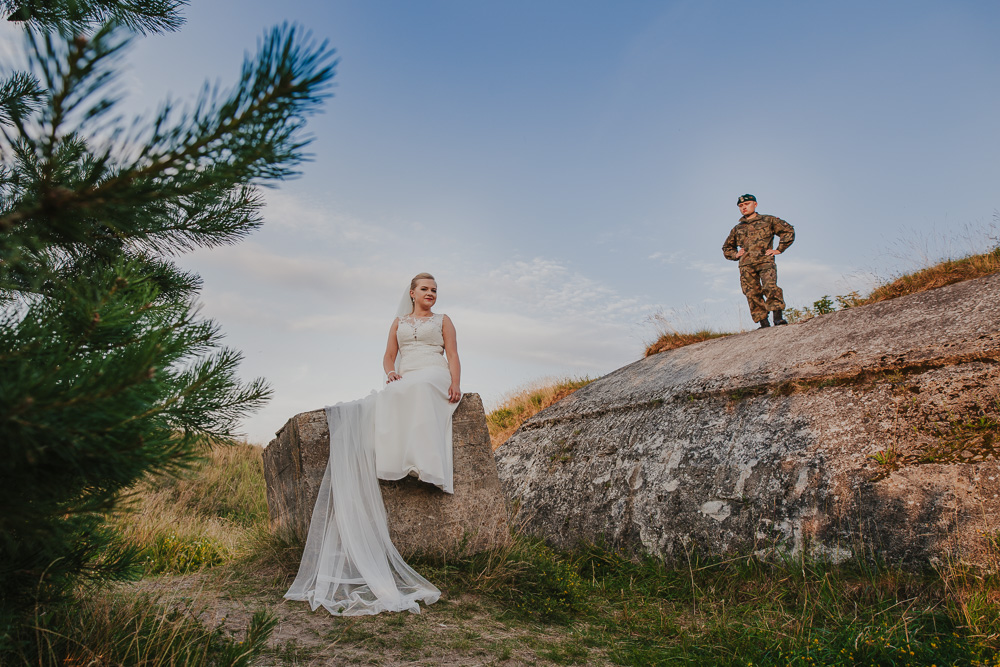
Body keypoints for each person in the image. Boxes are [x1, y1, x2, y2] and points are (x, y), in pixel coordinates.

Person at [284, 272, 462, 616]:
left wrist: (456, 382)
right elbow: (388, 356)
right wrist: (391, 372)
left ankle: (425, 463)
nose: (431, 294)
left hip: (434, 374)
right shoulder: (397, 322)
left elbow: (452, 353)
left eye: (435, 290)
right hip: (406, 375)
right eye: (425, 289)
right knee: (392, 393)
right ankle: (397, 462)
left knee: (421, 387)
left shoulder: (444, 320)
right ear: (412, 293)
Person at [722, 194, 795, 328]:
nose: (744, 208)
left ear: (755, 205)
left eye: (747, 204)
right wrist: (736, 254)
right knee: (752, 294)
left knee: (770, 287)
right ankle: (763, 323)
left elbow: (788, 230)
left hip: (765, 261)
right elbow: (727, 247)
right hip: (746, 266)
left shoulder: (768, 220)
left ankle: (778, 319)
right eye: (741, 206)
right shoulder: (737, 228)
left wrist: (779, 249)